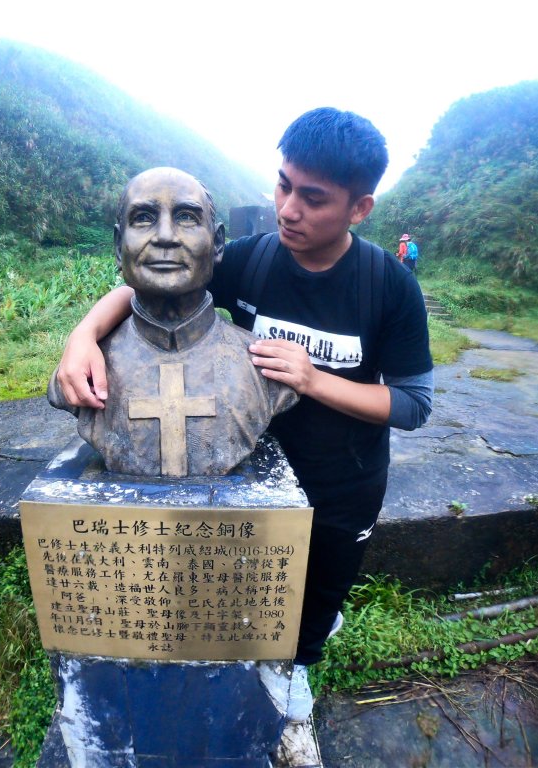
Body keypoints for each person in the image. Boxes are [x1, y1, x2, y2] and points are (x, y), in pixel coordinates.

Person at [54, 108, 434, 721]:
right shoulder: (251, 260)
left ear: (358, 208)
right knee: (242, 591)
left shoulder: (388, 286)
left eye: (313, 199)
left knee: (319, 594)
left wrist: (313, 380)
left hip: (344, 478)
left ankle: (297, 673)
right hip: (251, 462)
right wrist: (83, 335)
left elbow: (414, 404)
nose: (289, 209)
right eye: (283, 185)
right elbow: (155, 276)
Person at [47, 167, 298, 477]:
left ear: (217, 243)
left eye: (187, 217)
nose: (165, 236)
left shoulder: (261, 367)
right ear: (117, 245)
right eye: (142, 218)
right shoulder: (84, 371)